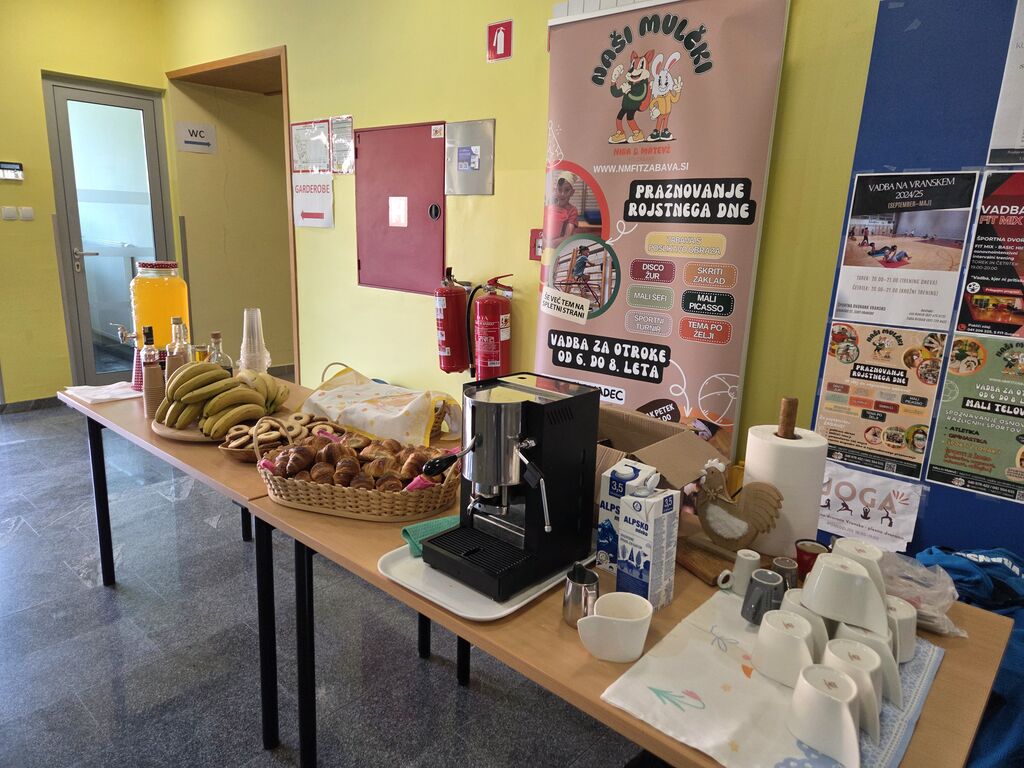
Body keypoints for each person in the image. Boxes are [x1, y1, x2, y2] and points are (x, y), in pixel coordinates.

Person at [543, 177, 579, 247]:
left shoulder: (572, 211)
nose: (562, 194)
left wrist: (547, 244)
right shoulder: (547, 208)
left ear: (572, 192)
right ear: (555, 190)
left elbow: (567, 237)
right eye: (559, 189)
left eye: (567, 190)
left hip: (559, 249)